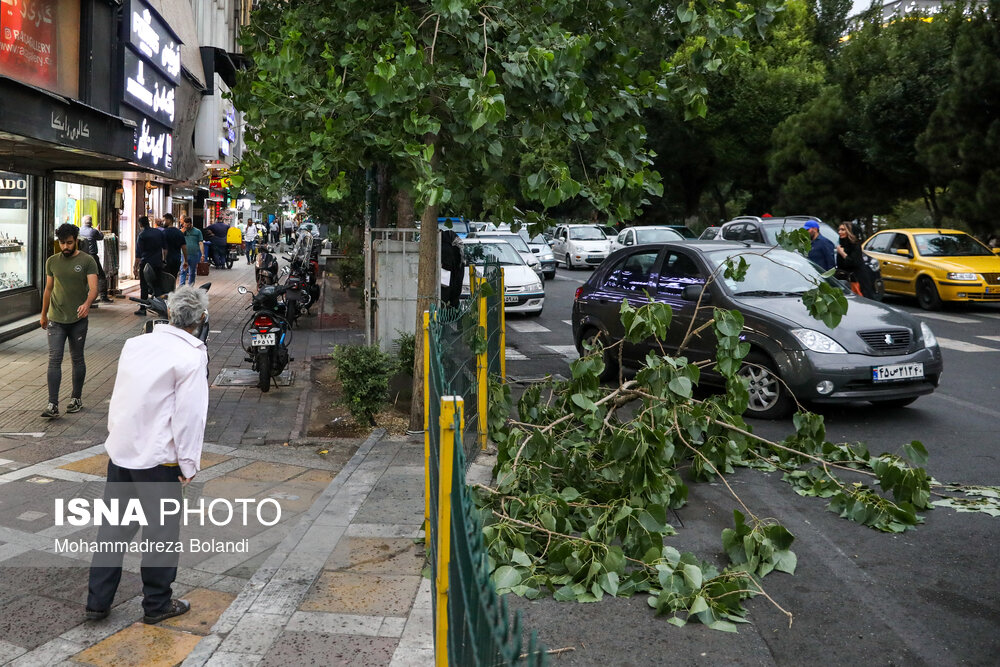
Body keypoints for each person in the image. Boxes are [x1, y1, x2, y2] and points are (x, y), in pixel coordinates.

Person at [85, 286, 209, 626]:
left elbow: (122, 394)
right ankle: (156, 604)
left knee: (113, 530)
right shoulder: (191, 356)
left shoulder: (135, 344)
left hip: (122, 451)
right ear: (200, 319)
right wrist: (189, 463)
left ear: (169, 313)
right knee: (161, 534)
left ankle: (97, 601)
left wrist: (117, 439)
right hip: (159, 461)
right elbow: (189, 417)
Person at [40, 223, 98, 419]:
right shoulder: (52, 262)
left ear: (76, 241)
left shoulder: (87, 260)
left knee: (77, 358)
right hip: (56, 319)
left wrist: (87, 304)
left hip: (78, 320)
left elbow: (94, 288)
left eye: (69, 243)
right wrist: (43, 314)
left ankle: (76, 398)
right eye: (62, 243)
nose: (65, 246)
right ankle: (52, 403)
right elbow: (48, 289)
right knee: (54, 360)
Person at [134, 216, 165, 315]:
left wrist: (135, 267)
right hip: (157, 263)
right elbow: (165, 249)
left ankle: (142, 309)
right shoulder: (159, 232)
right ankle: (162, 309)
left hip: (146, 264)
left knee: (143, 286)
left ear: (140, 224)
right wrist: (163, 260)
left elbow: (138, 254)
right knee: (158, 285)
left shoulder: (142, 235)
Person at [78, 215, 112, 303]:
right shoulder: (93, 231)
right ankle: (103, 297)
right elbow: (101, 237)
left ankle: (84, 298)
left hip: (81, 256)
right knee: (101, 276)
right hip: (92, 257)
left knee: (83, 277)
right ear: (91, 223)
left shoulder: (79, 230)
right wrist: (97, 229)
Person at [836, 222, 875, 298]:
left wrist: (843, 253)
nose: (839, 232)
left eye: (843, 230)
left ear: (850, 232)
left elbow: (854, 262)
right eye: (839, 229)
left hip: (857, 280)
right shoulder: (841, 245)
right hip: (844, 281)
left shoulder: (855, 245)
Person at [161, 213, 186, 288]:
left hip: (167, 260)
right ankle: (172, 293)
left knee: (165, 280)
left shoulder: (164, 233)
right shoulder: (179, 232)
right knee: (173, 279)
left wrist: (163, 259)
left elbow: (164, 249)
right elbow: (184, 247)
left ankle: (167, 295)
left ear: (169, 220)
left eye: (164, 220)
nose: (163, 222)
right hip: (176, 259)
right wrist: (186, 260)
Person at [179, 216, 204, 286]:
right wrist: (182, 232)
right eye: (185, 225)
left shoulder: (197, 232)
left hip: (194, 254)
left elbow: (201, 243)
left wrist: (203, 254)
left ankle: (190, 286)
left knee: (192, 272)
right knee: (183, 270)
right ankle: (182, 286)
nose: (186, 226)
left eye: (188, 225)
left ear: (191, 224)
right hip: (183, 254)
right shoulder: (182, 231)